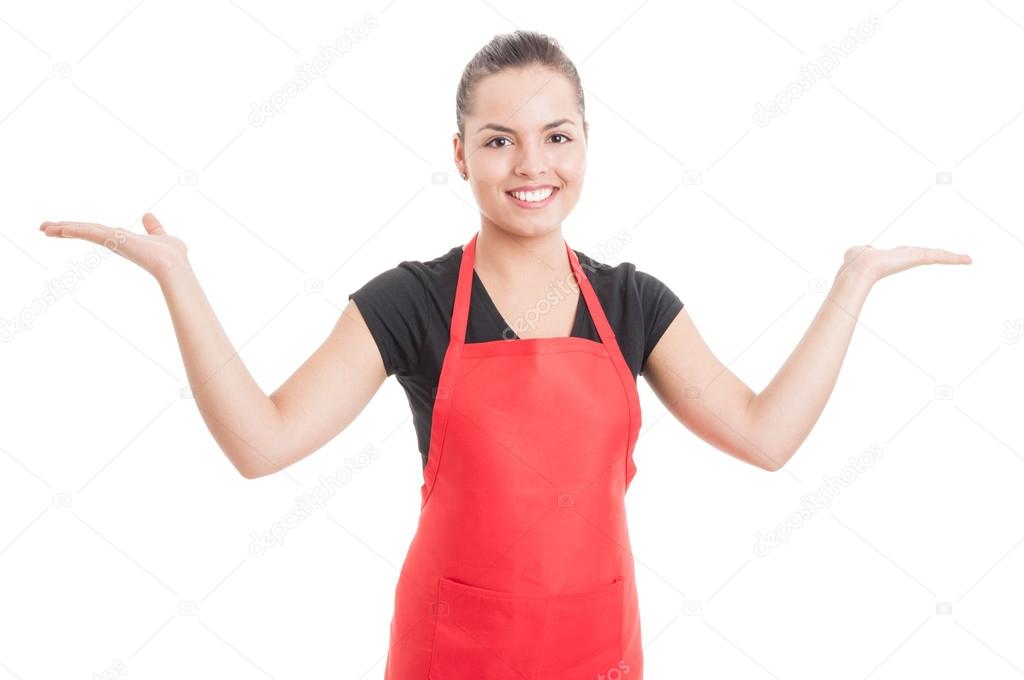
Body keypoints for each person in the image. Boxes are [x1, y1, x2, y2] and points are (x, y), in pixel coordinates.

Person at [39, 29, 971, 680]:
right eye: (499, 140)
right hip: (455, 659)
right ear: (460, 155)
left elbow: (765, 436)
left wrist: (852, 283)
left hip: (599, 651)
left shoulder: (631, 302)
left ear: (585, 144)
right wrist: (177, 278)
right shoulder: (413, 302)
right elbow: (262, 442)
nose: (533, 165)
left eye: (555, 136)